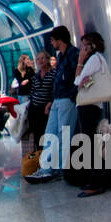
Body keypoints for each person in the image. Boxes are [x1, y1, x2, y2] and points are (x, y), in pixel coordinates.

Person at [27, 27, 79, 182]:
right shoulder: (61, 56)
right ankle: (47, 168)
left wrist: (71, 96)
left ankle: (58, 169)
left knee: (63, 135)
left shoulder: (73, 54)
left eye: (52, 40)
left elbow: (78, 76)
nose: (51, 43)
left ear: (58, 39)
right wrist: (52, 100)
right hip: (57, 100)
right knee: (50, 134)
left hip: (67, 100)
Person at [70, 32, 111, 197]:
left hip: (89, 106)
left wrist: (80, 62)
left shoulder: (94, 59)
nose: (82, 49)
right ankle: (95, 179)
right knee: (90, 143)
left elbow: (77, 81)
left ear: (91, 46)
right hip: (92, 105)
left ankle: (96, 183)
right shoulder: (99, 59)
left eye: (84, 45)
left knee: (88, 144)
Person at [20, 51, 55, 156]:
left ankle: (48, 157)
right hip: (34, 108)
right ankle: (39, 157)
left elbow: (55, 90)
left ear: (48, 59)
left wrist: (50, 102)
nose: (40, 61)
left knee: (47, 133)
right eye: (38, 59)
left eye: (43, 58)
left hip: (46, 109)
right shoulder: (36, 76)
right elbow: (33, 91)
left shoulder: (54, 73)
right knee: (37, 134)